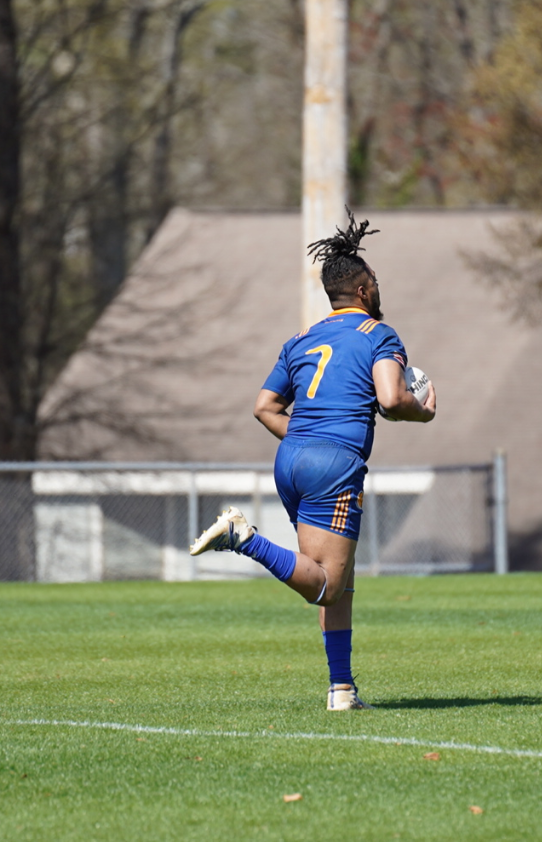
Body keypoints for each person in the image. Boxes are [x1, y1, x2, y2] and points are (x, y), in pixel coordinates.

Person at [188, 211, 436, 711]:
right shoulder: (379, 335)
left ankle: (341, 690)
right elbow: (391, 399)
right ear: (363, 290)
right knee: (325, 586)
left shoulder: (300, 340)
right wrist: (423, 409)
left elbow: (264, 407)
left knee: (339, 580)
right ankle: (243, 538)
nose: (379, 289)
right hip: (333, 463)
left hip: (291, 459)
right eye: (375, 283)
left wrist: (307, 435)